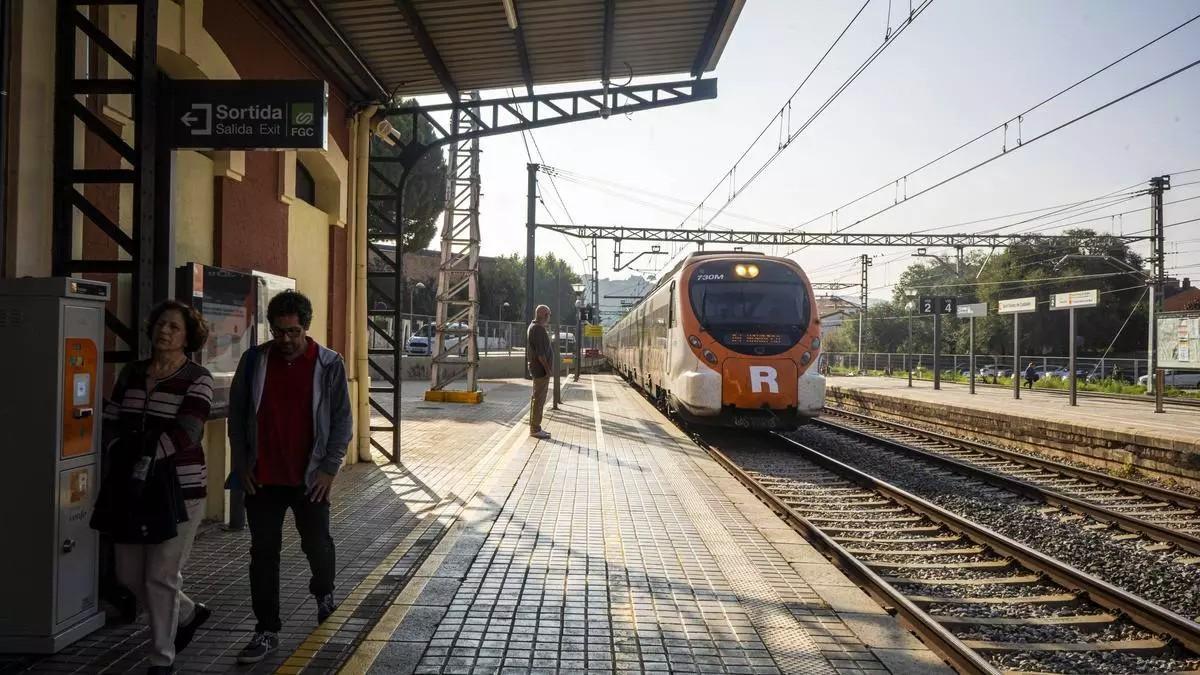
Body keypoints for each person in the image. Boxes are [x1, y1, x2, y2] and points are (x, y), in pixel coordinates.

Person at [227, 291, 353, 664]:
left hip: (311, 477)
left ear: (306, 328)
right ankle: (266, 629)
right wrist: (241, 462)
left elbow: (342, 420)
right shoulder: (254, 361)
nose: (286, 340)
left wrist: (330, 468)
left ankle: (324, 592)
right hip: (262, 478)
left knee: (317, 544)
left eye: (293, 332)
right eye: (279, 332)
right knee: (262, 554)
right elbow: (237, 415)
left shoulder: (329, 363)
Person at [93, 300, 214, 674]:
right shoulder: (132, 372)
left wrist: (143, 458)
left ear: (187, 336)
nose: (164, 331)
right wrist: (118, 448)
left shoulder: (197, 377)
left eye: (174, 327)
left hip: (179, 490)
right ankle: (189, 613)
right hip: (132, 488)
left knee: (161, 576)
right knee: (130, 575)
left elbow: (187, 432)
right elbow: (113, 418)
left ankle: (161, 659)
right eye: (161, 324)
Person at [526, 304, 554, 439]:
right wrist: (548, 370)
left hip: (537, 369)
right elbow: (541, 354)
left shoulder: (533, 326)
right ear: (544, 315)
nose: (549, 318)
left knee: (537, 398)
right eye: (549, 314)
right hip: (541, 370)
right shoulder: (538, 329)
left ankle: (535, 426)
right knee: (539, 399)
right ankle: (535, 428)